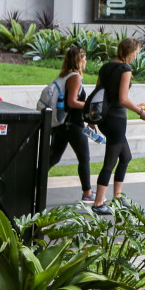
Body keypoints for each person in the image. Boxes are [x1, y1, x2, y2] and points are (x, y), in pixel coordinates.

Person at [91, 38, 145, 216]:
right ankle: (98, 203)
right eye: (136, 52)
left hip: (104, 118)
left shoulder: (105, 67)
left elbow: (97, 93)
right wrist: (141, 111)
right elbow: (123, 99)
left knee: (125, 156)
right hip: (116, 119)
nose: (137, 56)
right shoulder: (125, 69)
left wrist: (92, 119)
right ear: (130, 52)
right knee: (110, 162)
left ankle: (117, 198)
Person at [45, 46, 94, 203]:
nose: (86, 61)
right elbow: (72, 102)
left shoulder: (63, 76)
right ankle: (87, 193)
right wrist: (89, 106)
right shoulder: (75, 77)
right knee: (84, 158)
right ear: (78, 60)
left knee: (53, 158)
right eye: (84, 58)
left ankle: (33, 182)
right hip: (72, 124)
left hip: (61, 124)